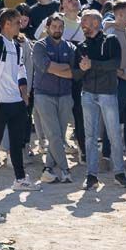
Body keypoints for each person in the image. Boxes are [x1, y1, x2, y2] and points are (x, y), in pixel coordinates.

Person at [74, 9, 126, 189]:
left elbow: (115, 64)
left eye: (86, 21)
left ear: (96, 23)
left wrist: (92, 65)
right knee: (90, 137)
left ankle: (119, 173)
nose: (83, 24)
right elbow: (75, 75)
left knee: (114, 134)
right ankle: (91, 175)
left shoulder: (111, 40)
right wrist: (82, 69)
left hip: (107, 93)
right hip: (88, 93)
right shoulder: (81, 46)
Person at [30, 13, 76, 184]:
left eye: (60, 27)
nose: (57, 30)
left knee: (58, 134)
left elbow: (74, 72)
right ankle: (65, 170)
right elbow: (46, 67)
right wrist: (63, 68)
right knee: (54, 134)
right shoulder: (39, 46)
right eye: (54, 26)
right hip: (44, 95)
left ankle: (48, 168)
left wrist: (59, 69)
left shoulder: (70, 47)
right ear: (47, 28)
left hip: (65, 94)